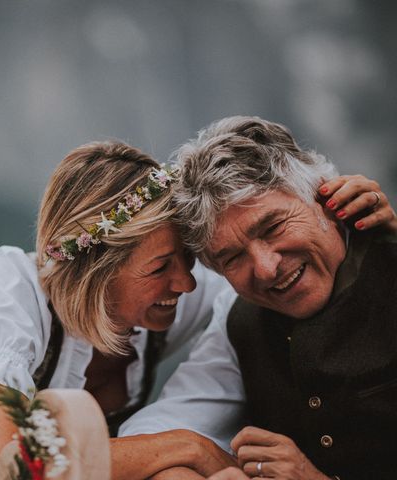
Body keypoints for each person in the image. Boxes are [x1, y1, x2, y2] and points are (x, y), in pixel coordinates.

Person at [0, 140, 392, 480]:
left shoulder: (183, 293)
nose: (187, 283)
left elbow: (267, 282)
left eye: (190, 260)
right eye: (160, 268)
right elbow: (7, 465)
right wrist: (187, 446)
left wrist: (364, 232)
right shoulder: (11, 294)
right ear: (96, 274)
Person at [119, 116, 397, 479]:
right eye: (232, 258)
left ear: (323, 196)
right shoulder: (238, 320)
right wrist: (194, 453)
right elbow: (159, 429)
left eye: (274, 227)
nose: (266, 269)